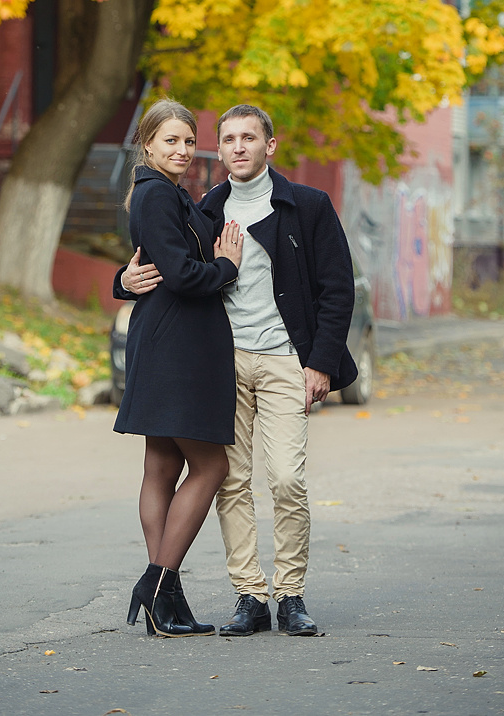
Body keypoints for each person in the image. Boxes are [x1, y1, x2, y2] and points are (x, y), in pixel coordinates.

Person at [121, 104, 356, 637]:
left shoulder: (309, 207)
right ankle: (249, 596)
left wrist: (319, 362)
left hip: (283, 360)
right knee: (231, 481)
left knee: (287, 479)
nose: (240, 146)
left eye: (250, 137)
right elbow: (165, 260)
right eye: (229, 139)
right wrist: (122, 279)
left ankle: (290, 594)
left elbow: (338, 289)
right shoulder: (207, 205)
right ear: (221, 150)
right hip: (221, 361)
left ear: (270, 146)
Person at [113, 99, 244, 638]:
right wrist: (227, 266)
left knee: (163, 467)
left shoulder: (168, 195)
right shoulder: (155, 197)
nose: (183, 150)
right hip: (177, 346)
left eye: (189, 141)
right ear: (147, 145)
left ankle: (166, 598)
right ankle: (159, 582)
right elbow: (186, 275)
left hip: (166, 338)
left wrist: (123, 281)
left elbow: (154, 269)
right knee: (210, 467)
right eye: (171, 141)